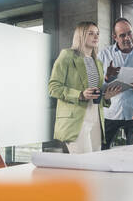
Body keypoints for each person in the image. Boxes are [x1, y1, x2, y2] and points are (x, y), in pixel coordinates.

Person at [49, 21, 121, 154]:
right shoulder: (67, 55)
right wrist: (80, 94)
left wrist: (106, 96)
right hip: (76, 121)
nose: (96, 36)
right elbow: (53, 87)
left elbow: (95, 93)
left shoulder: (97, 62)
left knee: (95, 165)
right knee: (85, 166)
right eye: (91, 33)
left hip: (96, 120)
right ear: (81, 36)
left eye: (98, 33)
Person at [98, 17, 133, 149]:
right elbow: (95, 86)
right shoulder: (104, 55)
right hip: (110, 113)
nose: (127, 38)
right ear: (115, 37)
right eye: (122, 35)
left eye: (129, 33)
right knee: (102, 149)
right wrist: (106, 78)